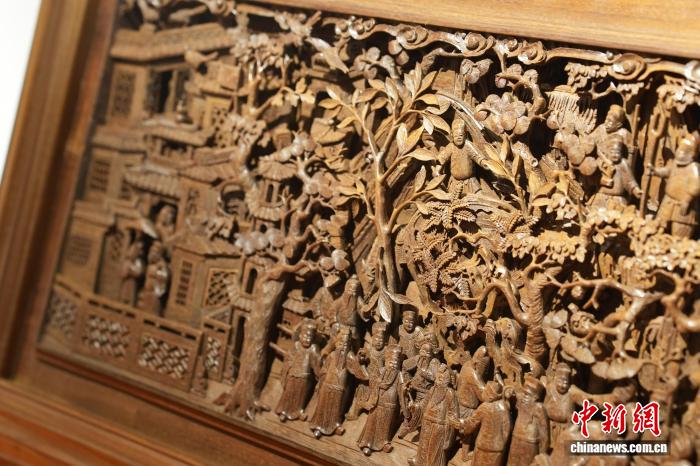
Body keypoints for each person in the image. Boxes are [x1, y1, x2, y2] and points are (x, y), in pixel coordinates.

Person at [409, 364, 459, 466]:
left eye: (443, 378)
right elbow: (423, 404)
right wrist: (415, 406)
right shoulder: (433, 390)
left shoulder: (450, 393)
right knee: (424, 445)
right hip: (427, 422)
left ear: (447, 379)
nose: (440, 380)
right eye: (438, 377)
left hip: (438, 426)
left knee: (434, 449)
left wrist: (449, 425)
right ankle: (420, 462)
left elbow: (453, 413)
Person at [356, 345, 403, 456]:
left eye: (396, 362)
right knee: (372, 423)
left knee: (385, 425)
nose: (393, 364)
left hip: (389, 405)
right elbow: (372, 382)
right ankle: (367, 443)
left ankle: (383, 443)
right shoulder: (380, 371)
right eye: (391, 361)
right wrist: (378, 383)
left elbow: (401, 389)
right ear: (386, 361)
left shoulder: (399, 374)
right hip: (377, 402)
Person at [650, 134, 700, 237]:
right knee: (658, 225)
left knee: (679, 233)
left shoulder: (694, 168)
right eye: (679, 149)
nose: (679, 153)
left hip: (682, 205)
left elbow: (696, 186)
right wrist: (655, 171)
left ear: (692, 154)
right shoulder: (676, 163)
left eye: (684, 151)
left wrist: (687, 200)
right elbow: (668, 171)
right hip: (668, 201)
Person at [453, 381, 512, 466]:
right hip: (498, 448)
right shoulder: (504, 408)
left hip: (484, 445)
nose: (483, 393)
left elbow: (471, 423)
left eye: (485, 391)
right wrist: (501, 443)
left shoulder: (484, 407)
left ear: (490, 395)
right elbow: (508, 428)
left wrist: (460, 423)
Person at [309, 328, 354, 438]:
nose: (343, 346)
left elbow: (356, 369)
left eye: (346, 344)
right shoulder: (332, 355)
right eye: (341, 343)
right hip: (327, 384)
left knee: (335, 408)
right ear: (337, 344)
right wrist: (320, 382)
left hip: (339, 387)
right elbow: (324, 370)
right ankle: (318, 424)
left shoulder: (349, 356)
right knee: (322, 405)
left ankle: (334, 425)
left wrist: (361, 360)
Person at [275, 320, 321, 422]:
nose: (307, 339)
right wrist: (286, 371)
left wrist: (319, 375)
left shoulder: (313, 349)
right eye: (305, 336)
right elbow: (289, 359)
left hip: (304, 377)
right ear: (300, 335)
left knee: (300, 396)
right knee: (288, 394)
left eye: (310, 337)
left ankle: (297, 412)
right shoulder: (296, 346)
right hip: (293, 374)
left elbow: (316, 364)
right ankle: (283, 411)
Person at [507, 375, 549, 466]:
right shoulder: (520, 401)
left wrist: (542, 454)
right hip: (516, 437)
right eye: (523, 392)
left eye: (527, 394)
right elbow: (510, 396)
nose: (523, 396)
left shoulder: (539, 408)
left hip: (530, 443)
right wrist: (509, 394)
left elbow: (544, 435)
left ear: (535, 397)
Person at [138, 242, 170, 315]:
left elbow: (162, 284)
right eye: (151, 251)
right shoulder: (151, 264)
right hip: (147, 294)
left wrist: (155, 293)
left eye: (154, 252)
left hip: (153, 298)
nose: (151, 254)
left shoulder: (161, 266)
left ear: (159, 253)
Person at [119, 234, 144, 306]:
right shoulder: (128, 261)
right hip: (126, 282)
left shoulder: (138, 262)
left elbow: (139, 273)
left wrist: (132, 272)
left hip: (133, 283)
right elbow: (123, 273)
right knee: (124, 295)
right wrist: (128, 271)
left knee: (131, 297)